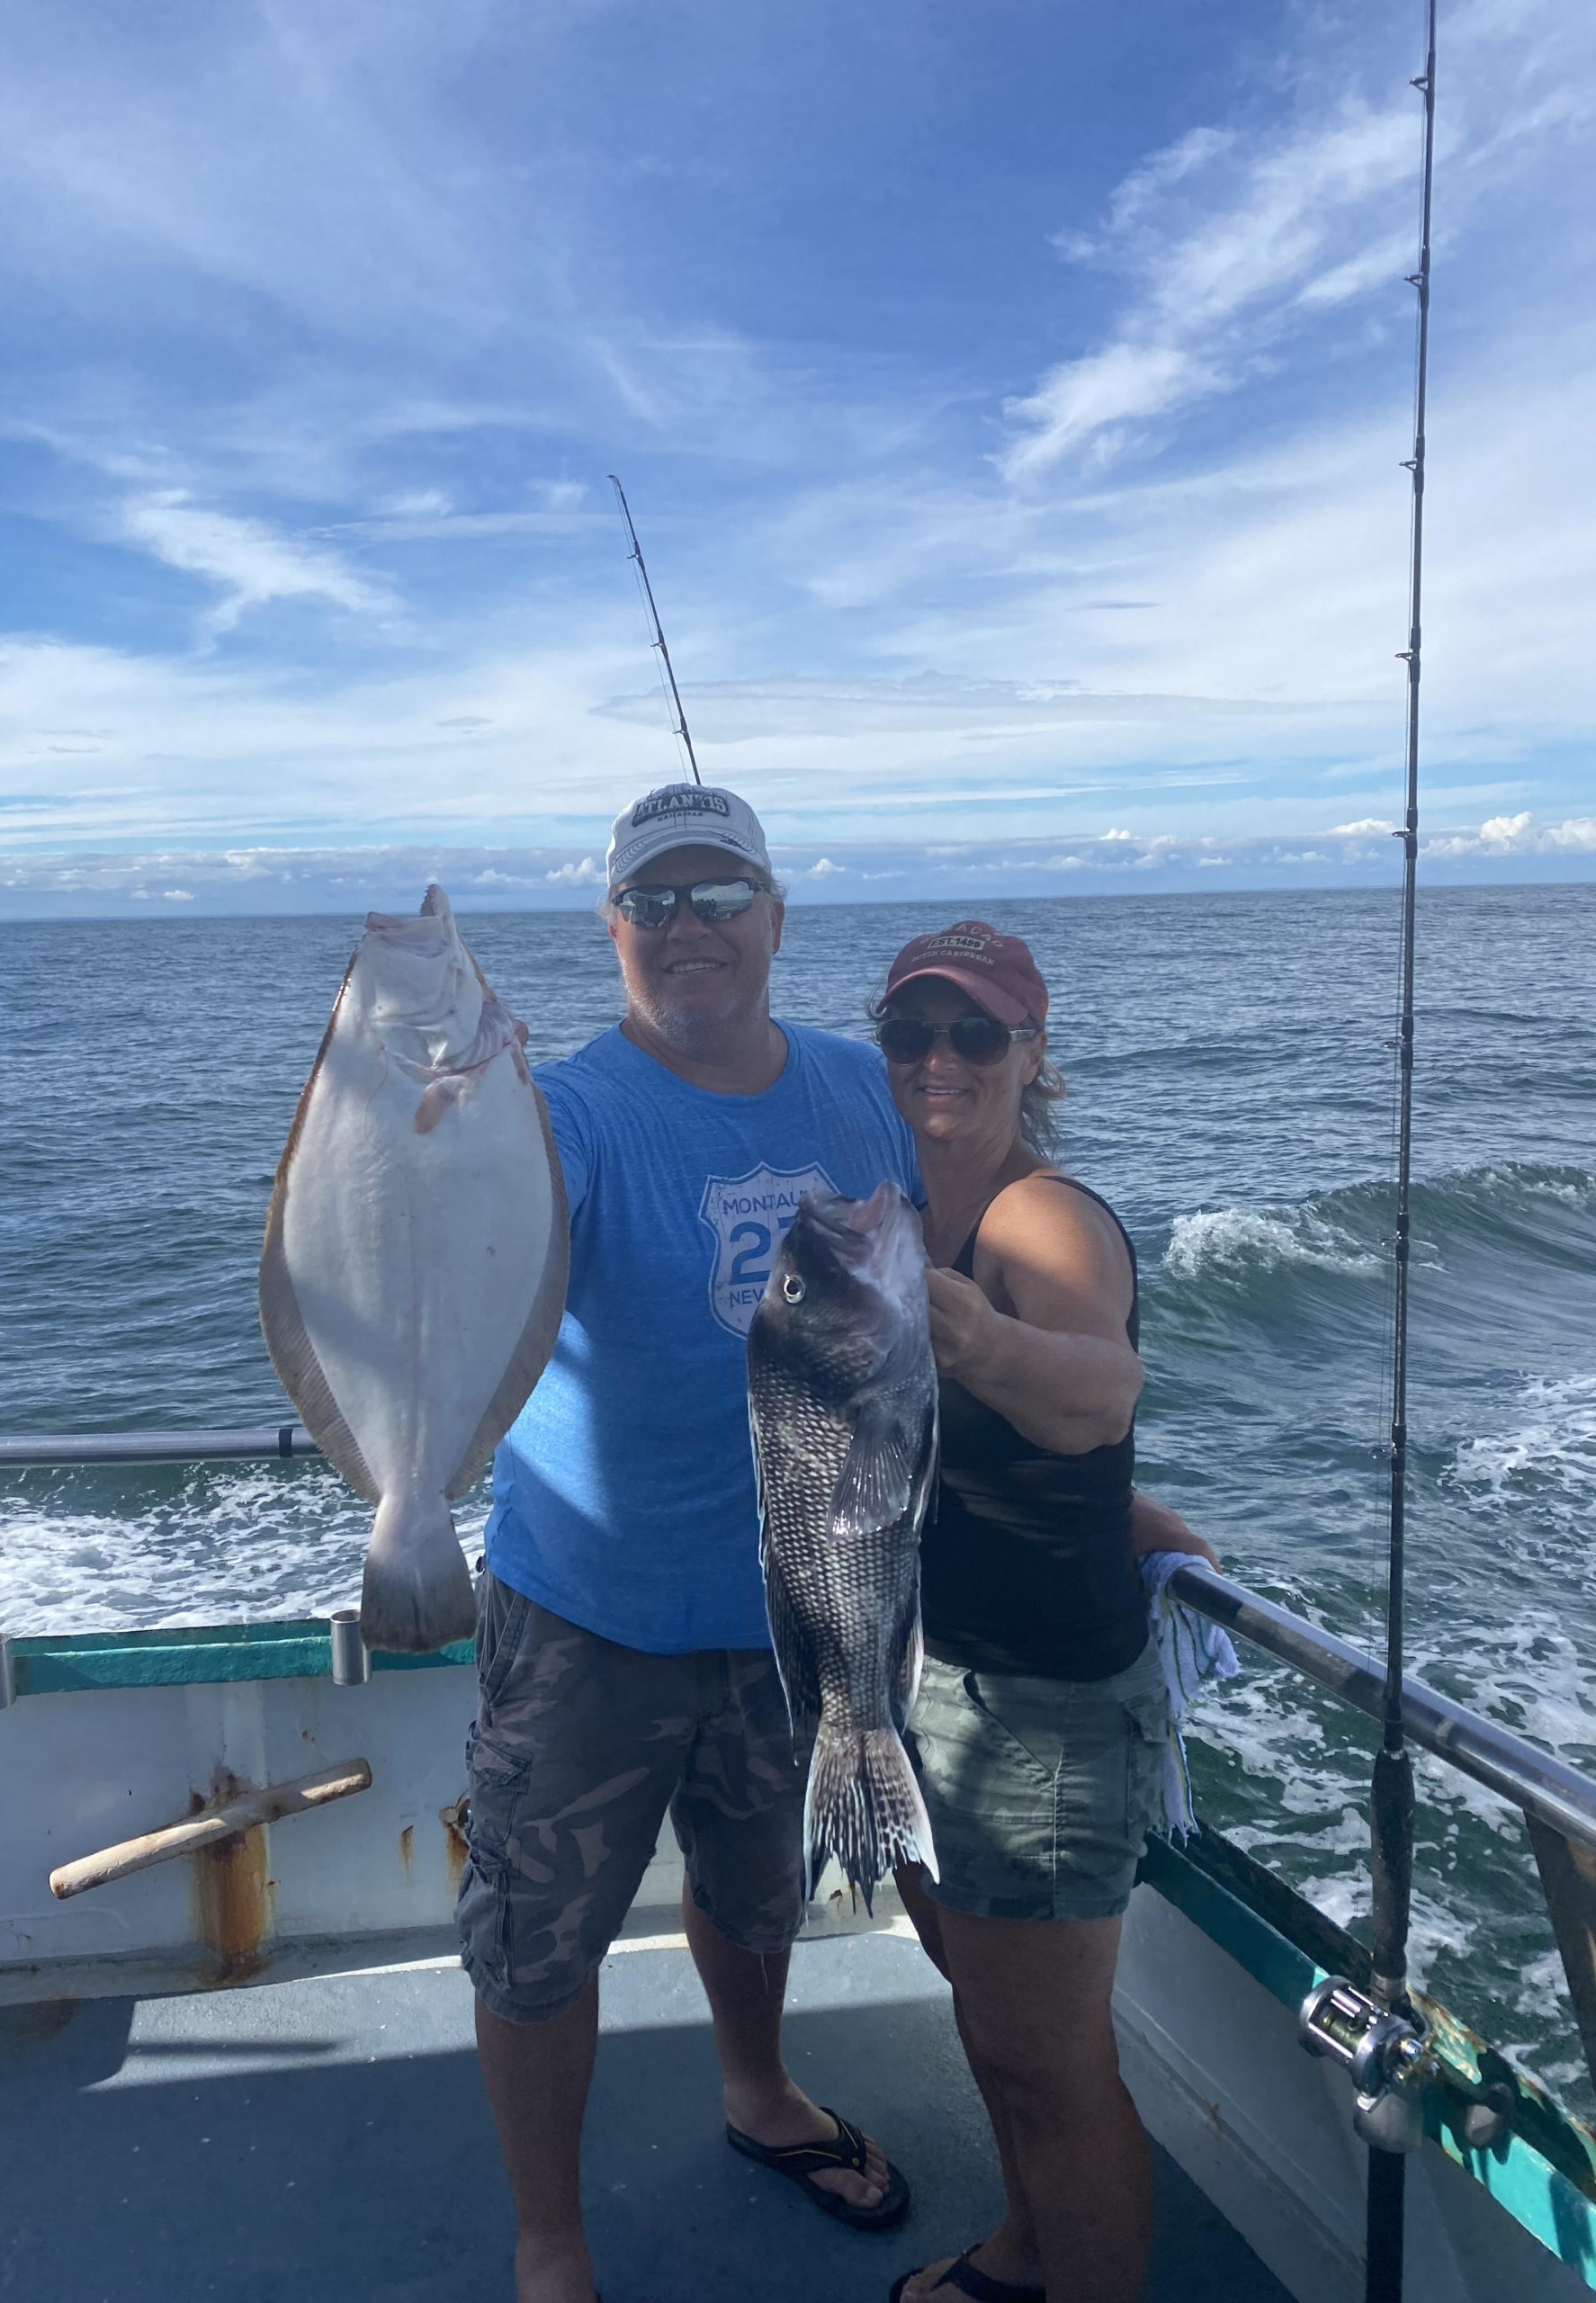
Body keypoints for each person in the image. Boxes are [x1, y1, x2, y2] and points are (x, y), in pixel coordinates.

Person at [460, 783, 916, 2303]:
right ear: (612, 932)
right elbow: (482, 1228)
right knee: (540, 1937)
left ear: (779, 918)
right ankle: (549, 2235)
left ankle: (756, 2088)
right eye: (654, 901)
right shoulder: (576, 1109)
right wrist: (445, 1109)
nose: (688, 927)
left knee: (752, 1888)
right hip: (586, 1613)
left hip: (801, 1600)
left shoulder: (861, 1090)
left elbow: (959, 1294)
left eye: (721, 896)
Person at [876, 921, 1176, 2303]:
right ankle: (1022, 2252)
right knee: (990, 2027)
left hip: (1037, 1706)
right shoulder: (907, 1211)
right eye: (912, 1035)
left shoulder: (1035, 1217)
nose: (941, 1060)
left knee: (1052, 2070)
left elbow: (1099, 1388)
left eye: (976, 1034)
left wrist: (979, 1340)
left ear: (1031, 1053)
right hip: (930, 1680)